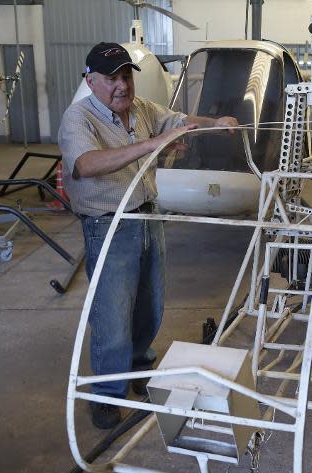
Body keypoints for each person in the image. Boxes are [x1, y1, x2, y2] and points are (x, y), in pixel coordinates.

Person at [58, 42, 238, 429]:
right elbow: (86, 164)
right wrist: (152, 145)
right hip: (108, 224)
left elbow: (176, 119)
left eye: (126, 76)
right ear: (91, 81)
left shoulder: (140, 111)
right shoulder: (78, 120)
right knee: (112, 315)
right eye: (112, 78)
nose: (122, 85)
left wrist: (214, 123)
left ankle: (139, 368)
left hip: (146, 217)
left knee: (149, 305)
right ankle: (105, 394)